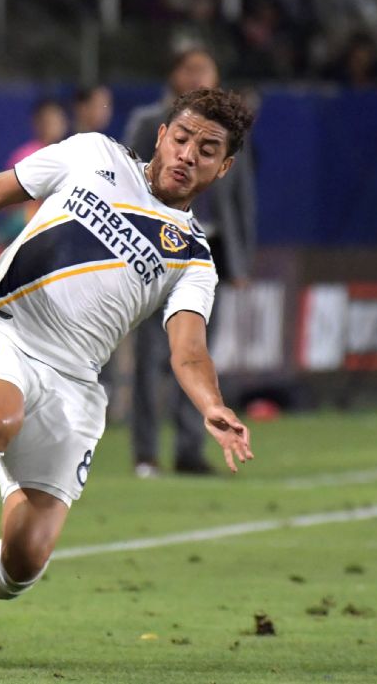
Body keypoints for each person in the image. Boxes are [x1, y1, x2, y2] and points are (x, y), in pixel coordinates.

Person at [0, 88, 256, 661]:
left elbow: (188, 350)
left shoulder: (193, 257)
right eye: (184, 138)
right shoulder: (95, 154)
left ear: (225, 167)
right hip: (4, 332)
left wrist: (211, 405)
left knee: (25, 562)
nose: (189, 155)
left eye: (208, 149)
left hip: (74, 386)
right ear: (163, 134)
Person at [122, 47, 255, 477]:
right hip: (154, 252)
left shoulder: (229, 134)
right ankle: (145, 453)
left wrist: (240, 260)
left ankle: (188, 449)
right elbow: (128, 182)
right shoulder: (149, 123)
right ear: (174, 75)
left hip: (208, 254)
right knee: (149, 357)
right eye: (191, 69)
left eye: (207, 69)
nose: (200, 76)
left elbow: (241, 199)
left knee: (196, 354)